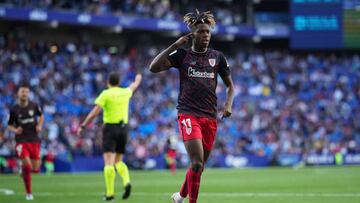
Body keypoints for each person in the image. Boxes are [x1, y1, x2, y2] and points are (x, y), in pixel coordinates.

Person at [149, 10, 234, 203]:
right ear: (192, 34)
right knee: (196, 163)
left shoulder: (217, 57)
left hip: (210, 117)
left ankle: (179, 196)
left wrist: (228, 105)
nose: (205, 35)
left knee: (199, 166)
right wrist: (175, 45)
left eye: (208, 32)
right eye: (201, 31)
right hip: (188, 114)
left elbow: (230, 86)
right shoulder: (182, 55)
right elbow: (153, 67)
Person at [77, 72, 142, 201]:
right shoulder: (125, 92)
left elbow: (95, 112)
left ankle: (110, 193)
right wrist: (138, 78)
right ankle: (126, 181)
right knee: (118, 160)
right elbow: (134, 86)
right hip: (123, 129)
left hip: (110, 128)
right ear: (118, 82)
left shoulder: (106, 94)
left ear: (108, 82)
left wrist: (83, 125)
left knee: (108, 162)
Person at [7, 83, 44, 201]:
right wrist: (15, 130)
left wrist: (39, 125)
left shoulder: (34, 106)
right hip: (21, 141)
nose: (24, 94)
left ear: (28, 94)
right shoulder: (14, 109)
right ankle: (29, 193)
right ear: (18, 93)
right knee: (27, 165)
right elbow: (9, 125)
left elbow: (41, 116)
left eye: (26, 92)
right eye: (22, 91)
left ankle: (22, 170)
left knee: (36, 169)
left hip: (34, 140)